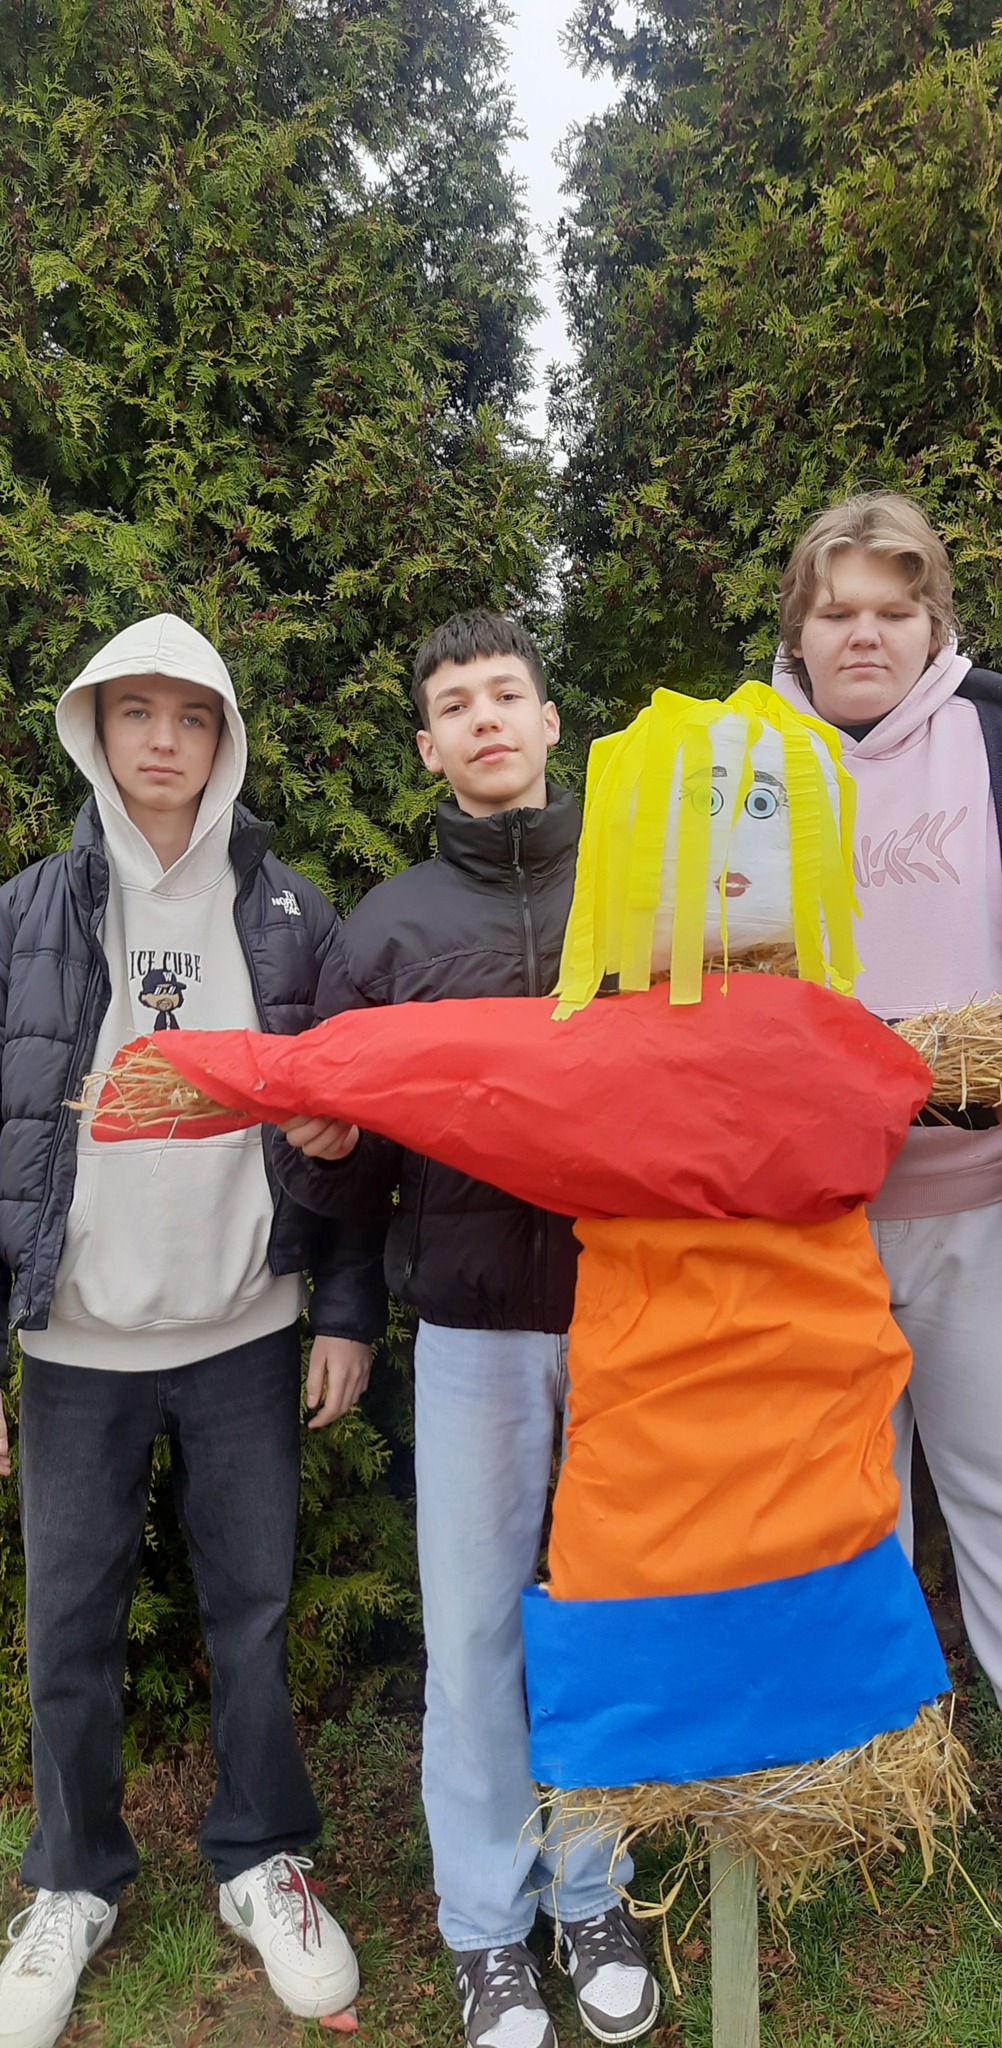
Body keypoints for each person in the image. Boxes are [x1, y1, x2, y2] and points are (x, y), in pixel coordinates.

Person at [771, 493, 1002, 1990]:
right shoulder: (744, 764)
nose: (864, 634)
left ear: (935, 627)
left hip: (992, 1206)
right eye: (838, 610)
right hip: (811, 1231)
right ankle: (853, 1793)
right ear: (799, 628)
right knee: (832, 1512)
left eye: (894, 610)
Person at [275, 612, 661, 2048]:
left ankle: (594, 1891)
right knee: (479, 1631)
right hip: (476, 1336)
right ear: (430, 747)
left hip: (634, 1318)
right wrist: (324, 1154)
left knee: (607, 1611)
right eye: (456, 704)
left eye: (509, 693)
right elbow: (346, 1169)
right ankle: (489, 1931)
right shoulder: (385, 930)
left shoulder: (648, 892)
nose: (486, 717)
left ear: (554, 722)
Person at [0, 615, 378, 2048]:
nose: (164, 740)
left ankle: (258, 1857)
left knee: (254, 1612)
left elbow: (349, 1130)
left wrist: (342, 1308)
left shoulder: (288, 915)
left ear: (225, 738)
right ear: (92, 729)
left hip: (242, 1329)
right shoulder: (27, 914)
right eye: (135, 712)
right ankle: (71, 1878)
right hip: (76, 1342)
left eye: (193, 715)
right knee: (68, 1626)